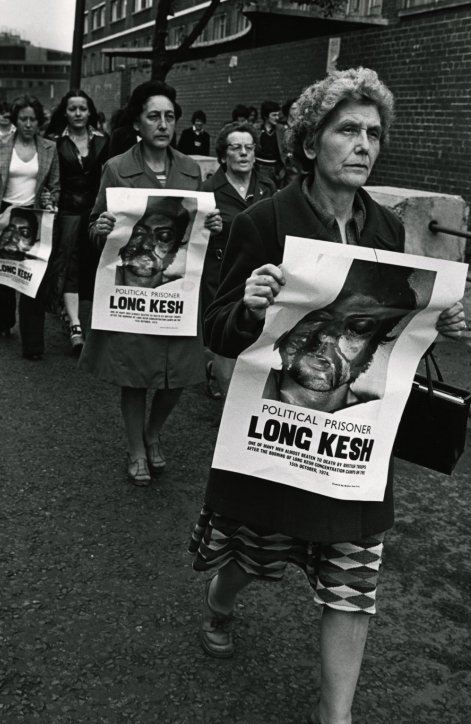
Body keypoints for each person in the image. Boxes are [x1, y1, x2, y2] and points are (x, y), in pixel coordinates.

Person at [190, 67, 465, 724]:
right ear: (310, 141)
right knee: (257, 555)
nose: (363, 145)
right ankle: (220, 604)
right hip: (274, 442)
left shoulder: (385, 227)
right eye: (347, 129)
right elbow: (213, 328)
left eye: (373, 133)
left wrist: (442, 318)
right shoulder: (262, 222)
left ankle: (331, 723)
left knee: (353, 583)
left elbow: (396, 326)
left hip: (352, 448)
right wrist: (247, 306)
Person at [80, 79, 222, 487]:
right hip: (131, 293)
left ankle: (154, 431)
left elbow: (196, 231)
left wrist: (212, 224)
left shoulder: (191, 169)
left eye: (169, 117)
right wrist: (101, 226)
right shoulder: (117, 168)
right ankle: (136, 448)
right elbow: (95, 227)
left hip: (177, 292)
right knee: (134, 373)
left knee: (179, 373)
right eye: (153, 116)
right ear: (138, 123)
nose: (163, 124)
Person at [262, 260, 419, 411]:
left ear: (372, 345)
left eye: (358, 327)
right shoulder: (244, 386)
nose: (326, 337)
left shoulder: (376, 416)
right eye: (316, 317)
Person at [0, 94, 59, 359]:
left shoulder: (49, 148)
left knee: (32, 282)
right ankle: (2, 321)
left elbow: (55, 187)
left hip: (34, 219)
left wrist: (51, 200)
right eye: (23, 119)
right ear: (15, 121)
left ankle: (33, 346)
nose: (28, 124)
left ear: (39, 122)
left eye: (33, 119)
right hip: (4, 214)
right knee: (3, 278)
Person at [201, 121, 275, 398]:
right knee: (226, 342)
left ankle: (220, 376)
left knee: (254, 341)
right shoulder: (209, 190)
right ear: (223, 156)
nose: (243, 153)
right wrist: (208, 230)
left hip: (259, 276)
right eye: (236, 148)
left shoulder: (268, 187)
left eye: (248, 147)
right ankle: (230, 408)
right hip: (220, 277)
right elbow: (191, 239)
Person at [44, 89, 109, 354]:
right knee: (69, 265)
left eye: (83, 108)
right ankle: (75, 325)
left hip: (97, 212)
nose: (78, 113)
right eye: (73, 109)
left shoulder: (104, 141)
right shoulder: (55, 142)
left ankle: (100, 321)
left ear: (90, 111)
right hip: (67, 212)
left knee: (96, 266)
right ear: (65, 112)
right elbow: (49, 177)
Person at [115, 195, 193, 288]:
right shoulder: (102, 281)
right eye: (138, 233)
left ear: (174, 247)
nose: (146, 245)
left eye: (164, 236)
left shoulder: (184, 289)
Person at [255, 100, 286, 187]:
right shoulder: (257, 129)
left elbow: (285, 150)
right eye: (274, 115)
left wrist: (283, 169)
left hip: (275, 169)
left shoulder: (281, 130)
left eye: (278, 114)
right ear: (266, 116)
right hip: (259, 167)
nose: (277, 117)